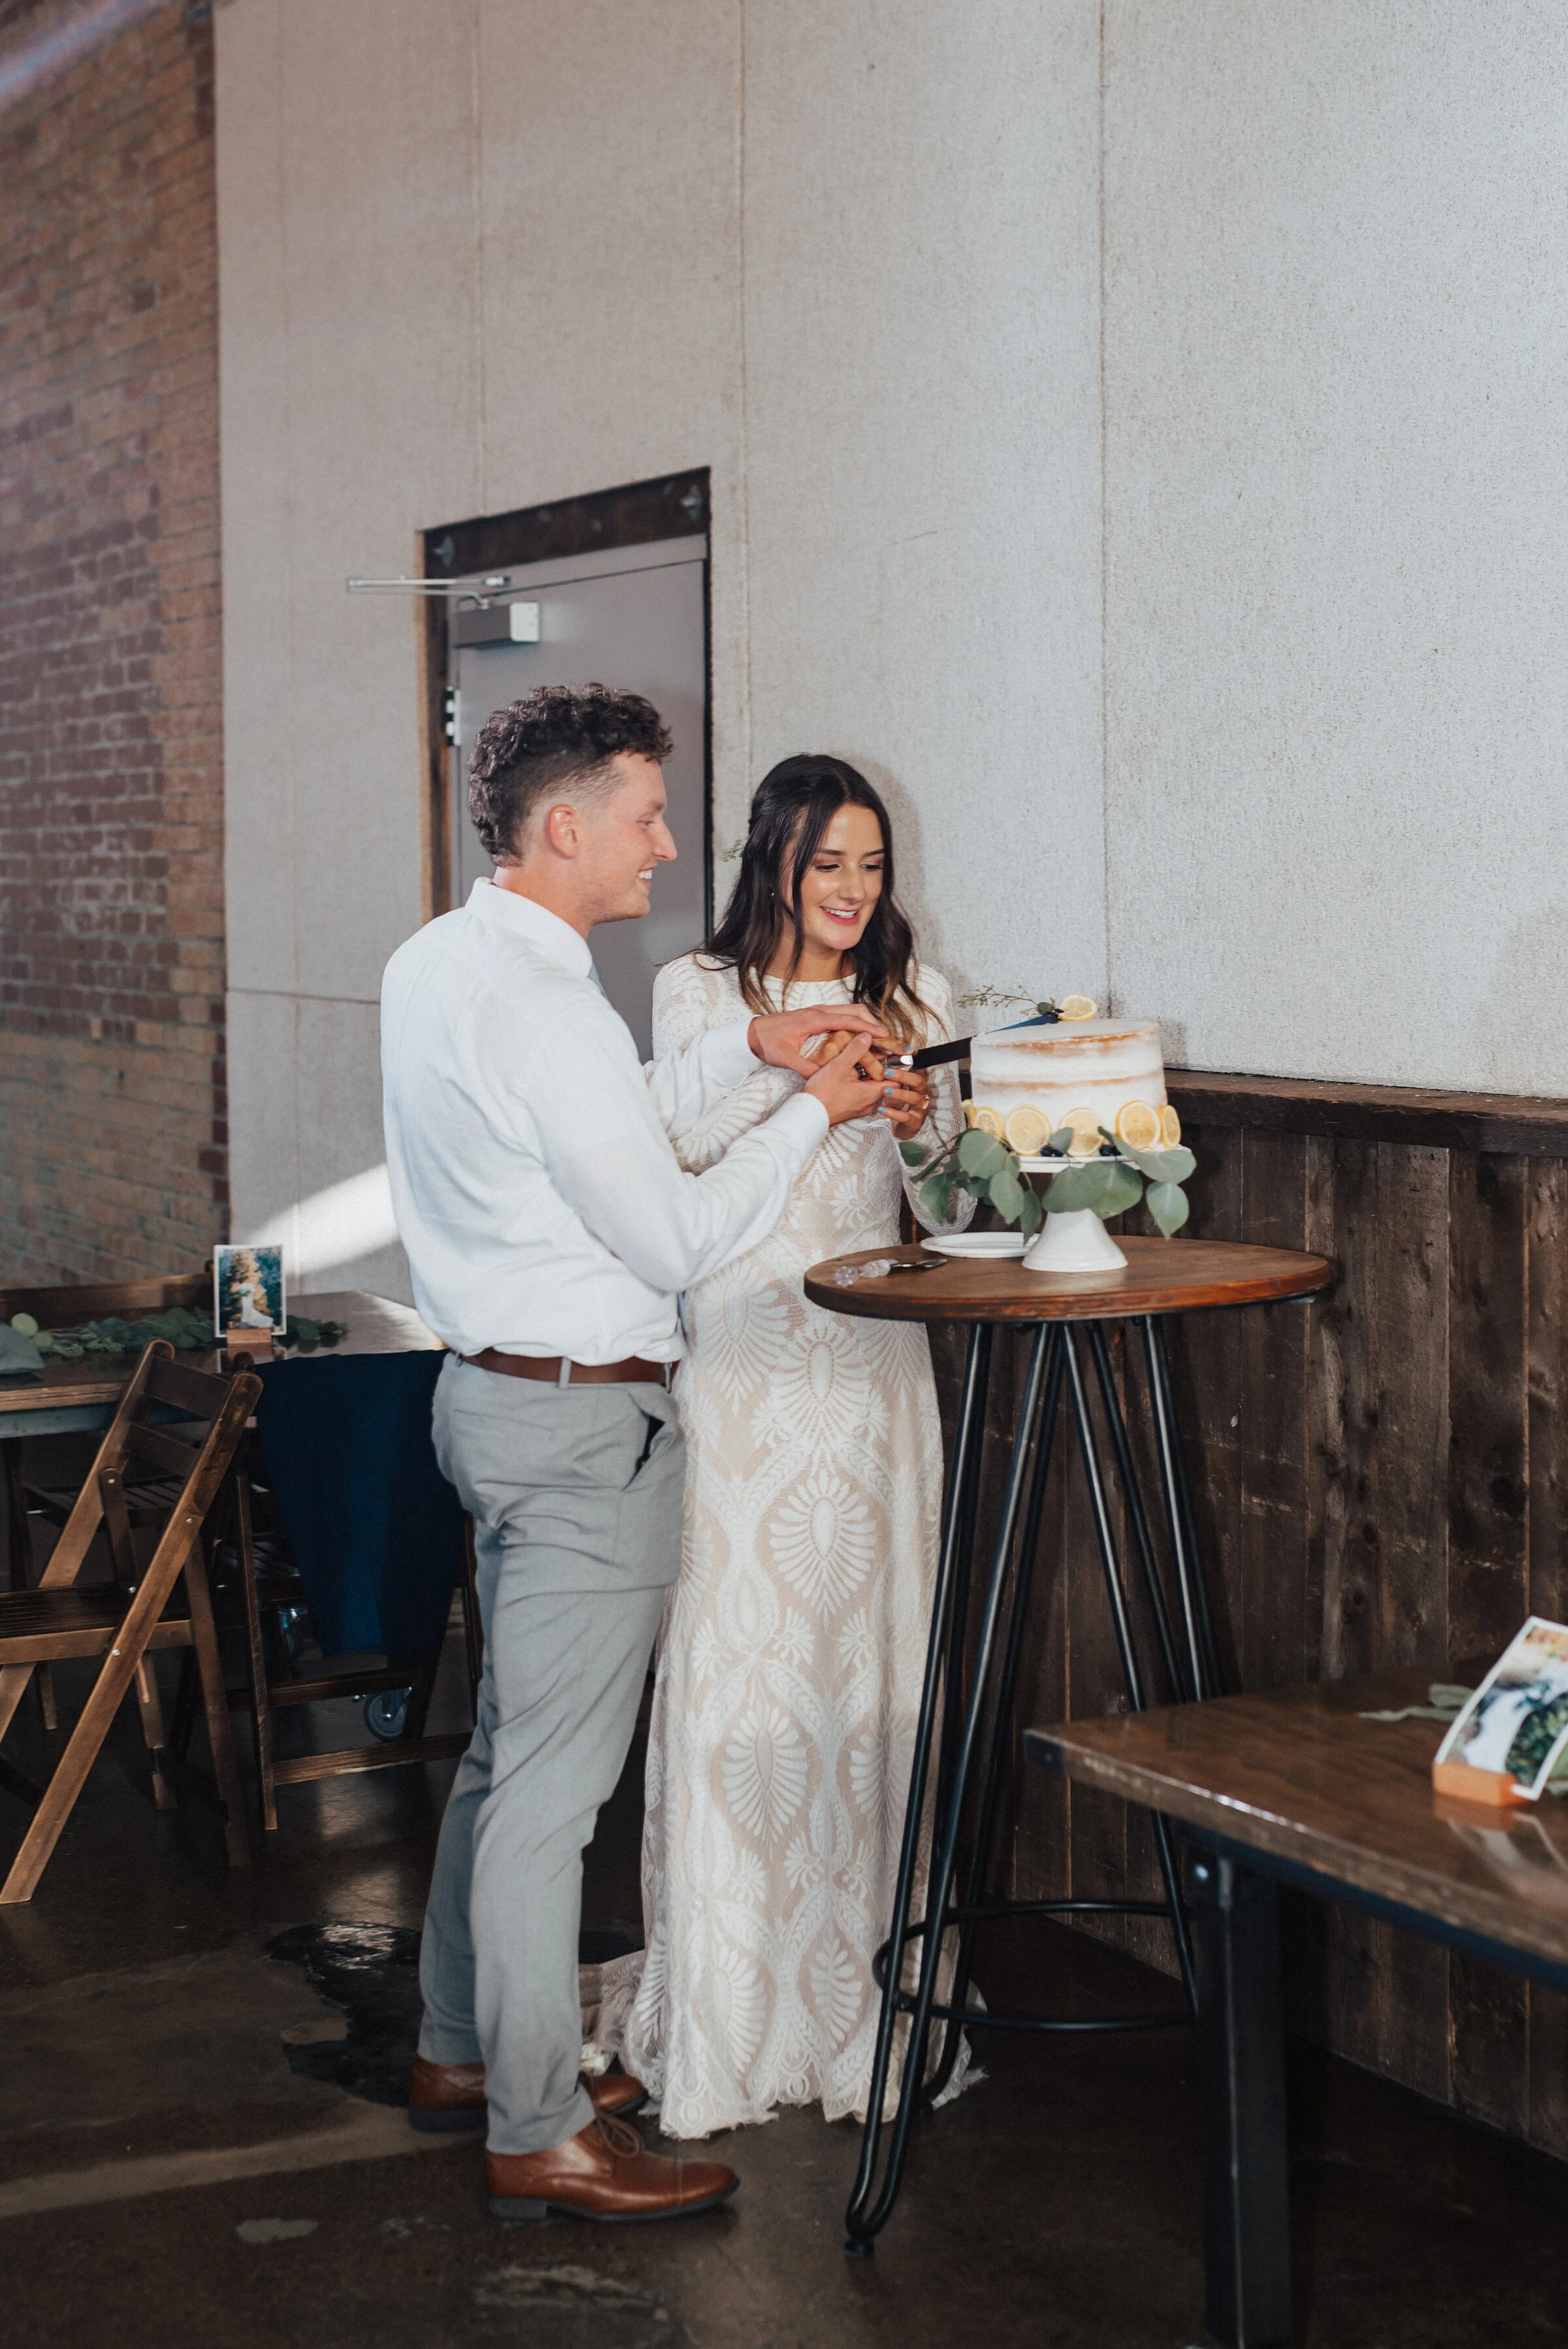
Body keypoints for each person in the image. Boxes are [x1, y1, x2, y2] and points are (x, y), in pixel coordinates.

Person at [380, 689, 890, 2224]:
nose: (671, 839)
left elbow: (605, 1124)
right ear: (563, 826)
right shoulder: (543, 999)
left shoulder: (446, 960)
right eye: (649, 813)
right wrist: (811, 1113)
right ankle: (539, 2126)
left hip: (488, 1399)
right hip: (586, 1426)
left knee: (500, 1760)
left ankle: (464, 2048)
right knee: (549, 1794)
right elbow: (670, 1228)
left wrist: (751, 1051)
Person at [592, 753, 976, 2137]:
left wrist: (926, 1131)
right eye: (829, 866)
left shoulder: (917, 1002)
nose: (854, 892)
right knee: (743, 1671)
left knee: (864, 1666)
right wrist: (801, 1072)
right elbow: (671, 1150)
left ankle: (861, 1993)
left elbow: (939, 1193)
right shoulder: (702, 996)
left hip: (875, 1372)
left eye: (873, 868)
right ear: (776, 865)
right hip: (749, 1364)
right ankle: (736, 2004)